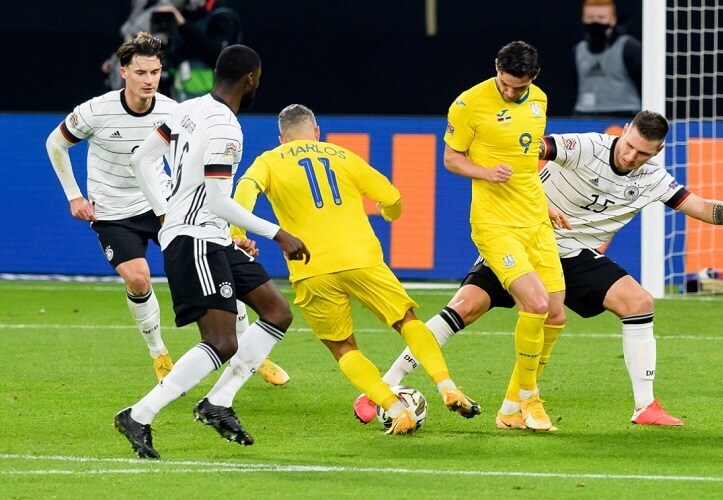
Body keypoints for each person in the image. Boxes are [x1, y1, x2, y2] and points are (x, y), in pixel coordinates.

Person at [355, 110, 723, 428]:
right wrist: (536, 203)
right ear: (624, 130)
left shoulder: (653, 177)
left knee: (638, 301)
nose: (631, 155)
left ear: (657, 151)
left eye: (643, 152)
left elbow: (699, 207)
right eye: (629, 145)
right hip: (522, 238)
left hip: (573, 254)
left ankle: (644, 405)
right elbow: (527, 153)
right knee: (466, 306)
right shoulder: (585, 146)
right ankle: (384, 387)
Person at [229, 104, 481, 436]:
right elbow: (392, 197)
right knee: (407, 321)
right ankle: (446, 385)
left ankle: (395, 409)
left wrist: (238, 234)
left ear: (281, 138)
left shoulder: (269, 160)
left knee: (343, 347)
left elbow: (245, 189)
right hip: (363, 258)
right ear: (316, 132)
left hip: (312, 267)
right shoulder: (341, 155)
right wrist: (389, 213)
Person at [114, 44, 310, 459]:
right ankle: (139, 415)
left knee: (277, 312)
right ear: (250, 79)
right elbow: (219, 201)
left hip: (212, 236)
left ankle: (218, 402)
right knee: (221, 342)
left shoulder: (187, 109)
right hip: (196, 239)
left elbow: (142, 159)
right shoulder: (226, 128)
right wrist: (278, 233)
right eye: (258, 79)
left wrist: (164, 210)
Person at [435, 40, 566, 431]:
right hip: (494, 224)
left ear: (534, 78)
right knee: (536, 303)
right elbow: (451, 158)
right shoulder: (468, 104)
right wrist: (485, 172)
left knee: (555, 313)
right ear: (496, 66)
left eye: (518, 86)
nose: (509, 92)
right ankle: (530, 397)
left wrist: (546, 207)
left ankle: (510, 409)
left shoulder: (539, 100)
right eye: (505, 83)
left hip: (535, 220)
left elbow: (526, 168)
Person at [46, 32, 177, 382]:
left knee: (206, 264)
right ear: (123, 72)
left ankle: (248, 353)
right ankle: (159, 353)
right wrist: (74, 196)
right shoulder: (96, 110)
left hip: (160, 204)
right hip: (113, 211)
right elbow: (55, 144)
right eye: (141, 72)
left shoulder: (172, 111)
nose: (149, 80)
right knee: (138, 279)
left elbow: (182, 156)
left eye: (155, 72)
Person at [573, 0, 641, 117]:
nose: (595, 22)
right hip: (585, 115)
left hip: (624, 114)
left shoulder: (629, 47)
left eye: (601, 17)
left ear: (613, 20)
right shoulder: (578, 50)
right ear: (583, 19)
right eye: (590, 17)